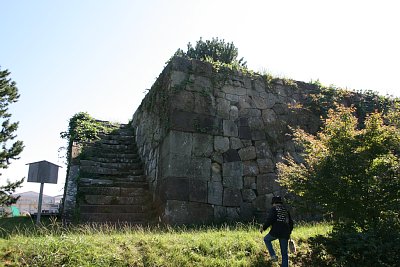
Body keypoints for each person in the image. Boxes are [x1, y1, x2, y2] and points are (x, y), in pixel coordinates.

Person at [260, 196, 293, 267]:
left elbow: (270, 219)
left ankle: (273, 255)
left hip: (276, 231)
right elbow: (291, 223)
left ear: (274, 203)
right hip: (285, 232)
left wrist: (263, 227)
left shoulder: (274, 209)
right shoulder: (286, 210)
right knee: (284, 253)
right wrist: (289, 232)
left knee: (266, 239)